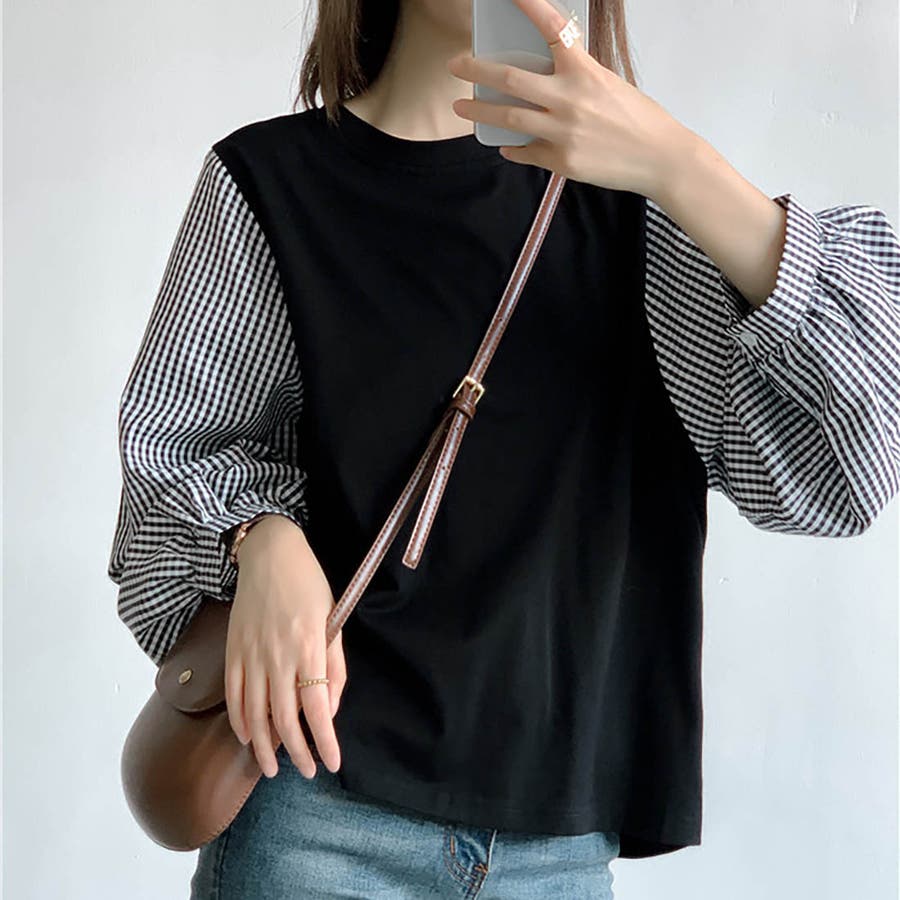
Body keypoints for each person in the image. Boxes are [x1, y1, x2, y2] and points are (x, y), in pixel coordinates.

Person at [107, 0, 900, 896]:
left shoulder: (646, 207)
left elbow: (852, 461)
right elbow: (171, 456)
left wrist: (682, 167)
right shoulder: (268, 185)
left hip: (560, 851)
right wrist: (259, 538)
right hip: (316, 818)